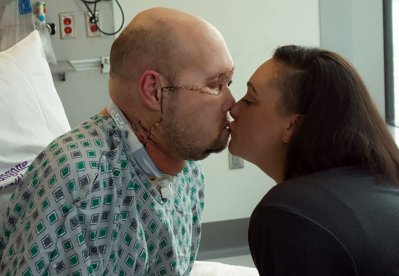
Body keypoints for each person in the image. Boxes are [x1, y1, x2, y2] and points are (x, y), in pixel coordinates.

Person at [0, 7, 235, 275]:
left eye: (230, 81)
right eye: (216, 85)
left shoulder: (187, 172)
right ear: (154, 91)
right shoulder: (81, 185)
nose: (232, 103)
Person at [228, 45, 399, 275]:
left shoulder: (290, 214)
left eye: (249, 100)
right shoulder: (395, 181)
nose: (234, 109)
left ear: (293, 125)